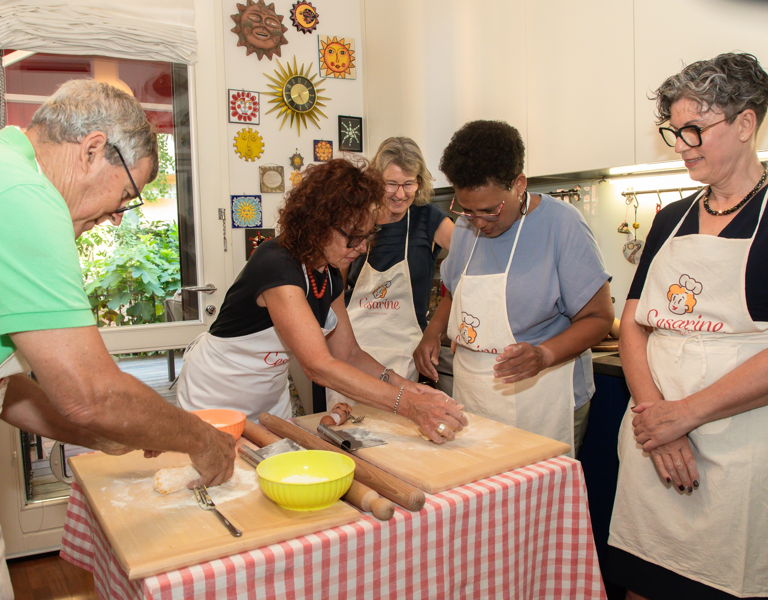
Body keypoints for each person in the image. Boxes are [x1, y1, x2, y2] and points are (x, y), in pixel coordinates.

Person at [0, 80, 237, 600]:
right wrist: (203, 441)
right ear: (93, 149)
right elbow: (90, 393)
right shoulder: (21, 192)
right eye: (126, 196)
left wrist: (107, 433)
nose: (115, 216)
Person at [608, 52, 768, 600]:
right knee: (641, 581)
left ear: (745, 124)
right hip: (654, 442)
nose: (680, 145)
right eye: (674, 132)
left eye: (694, 130)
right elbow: (632, 325)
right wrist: (656, 416)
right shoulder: (669, 217)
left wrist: (685, 417)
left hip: (736, 454)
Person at [176, 158, 466, 441]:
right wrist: (407, 405)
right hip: (216, 392)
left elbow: (349, 354)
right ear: (318, 224)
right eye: (353, 237)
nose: (361, 247)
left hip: (268, 397)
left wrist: (408, 387)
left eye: (367, 236)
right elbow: (319, 365)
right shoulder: (277, 265)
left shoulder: (327, 274)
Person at [413, 120, 613, 455]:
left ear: (519, 184)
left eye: (489, 211)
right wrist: (432, 334)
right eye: (467, 210)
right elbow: (454, 289)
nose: (477, 221)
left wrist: (544, 354)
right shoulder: (465, 229)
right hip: (475, 394)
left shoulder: (562, 225)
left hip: (543, 396)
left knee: (539, 501)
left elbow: (599, 317)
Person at [333, 137, 453, 401]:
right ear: (376, 181)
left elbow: (469, 266)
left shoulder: (429, 219)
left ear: (419, 182)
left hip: (405, 354)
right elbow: (335, 290)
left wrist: (435, 329)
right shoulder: (356, 219)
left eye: (409, 184)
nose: (400, 194)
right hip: (352, 349)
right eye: (391, 184)